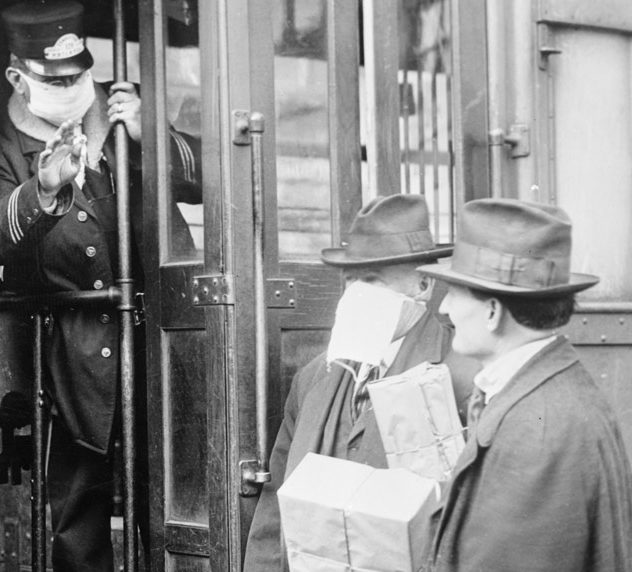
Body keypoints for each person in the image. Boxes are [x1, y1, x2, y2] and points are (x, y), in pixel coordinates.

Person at [0, 1, 200, 570]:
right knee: (74, 514)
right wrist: (41, 187)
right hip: (64, 348)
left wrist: (147, 134)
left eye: (79, 75)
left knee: (168, 503)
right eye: (56, 81)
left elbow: (207, 179)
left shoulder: (119, 109)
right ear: (18, 77)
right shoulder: (8, 144)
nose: (72, 87)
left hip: (155, 340)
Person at [244, 194, 480, 571]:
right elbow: (276, 510)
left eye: (372, 281)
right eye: (350, 281)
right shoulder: (315, 377)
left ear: (423, 286)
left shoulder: (462, 376)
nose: (356, 295)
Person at [417, 198, 632, 572]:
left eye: (454, 293)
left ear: (492, 312)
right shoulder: (544, 395)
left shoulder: (539, 429)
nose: (444, 309)